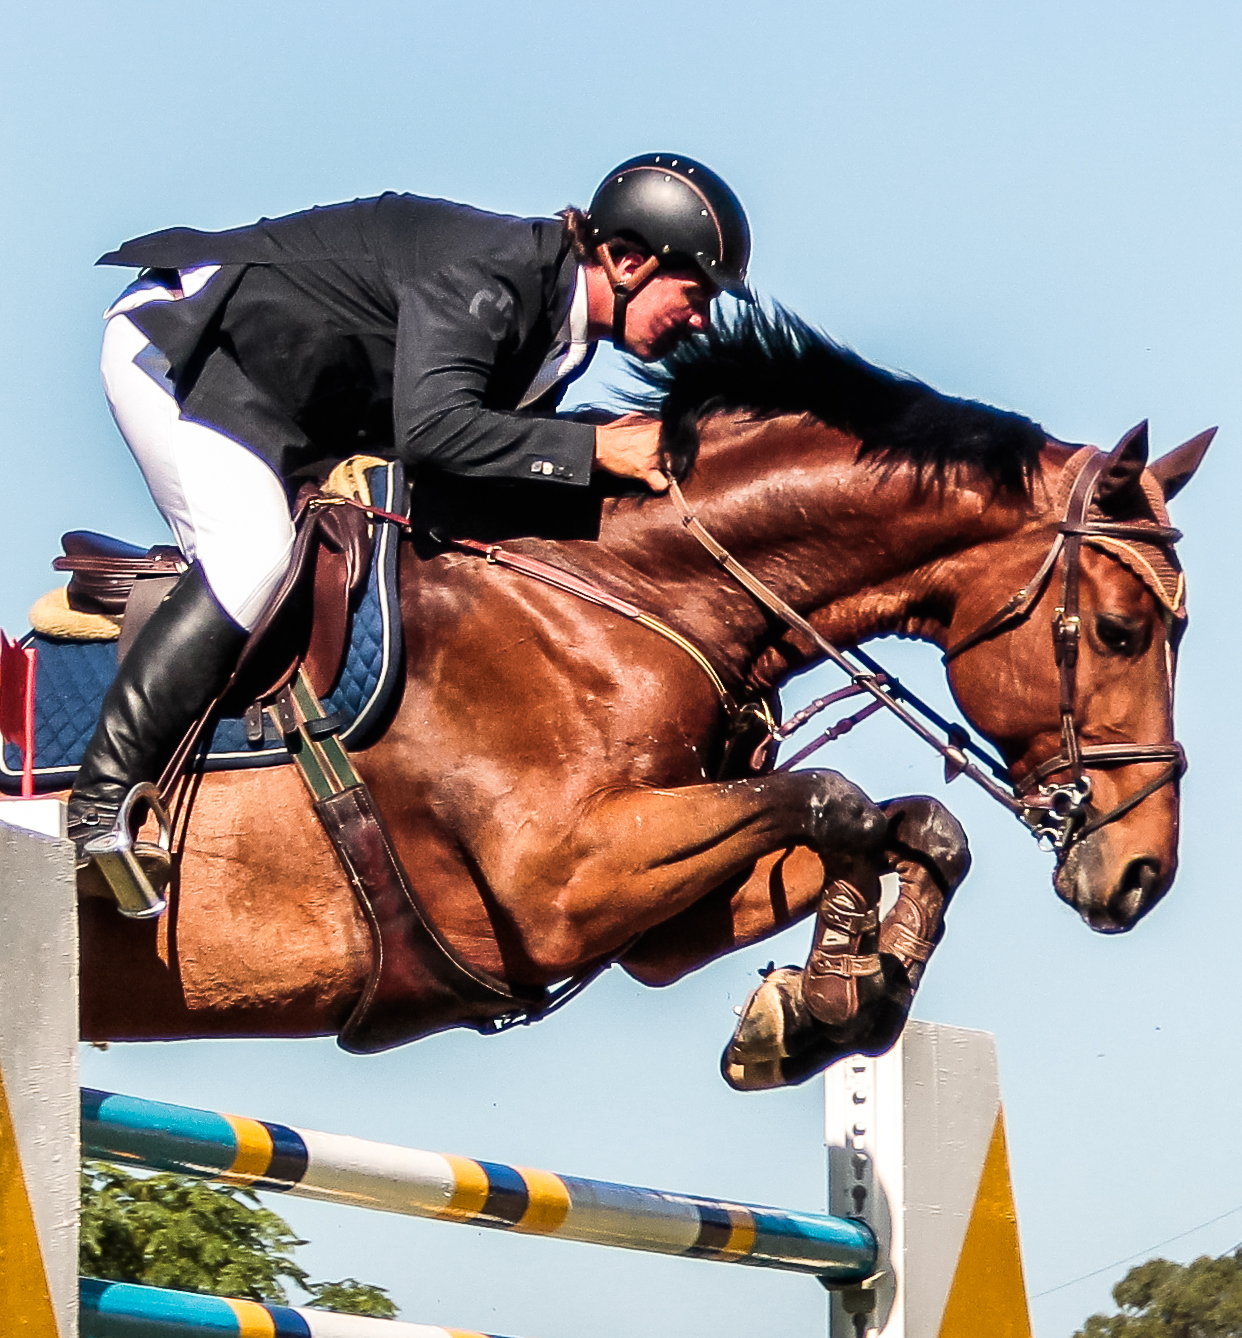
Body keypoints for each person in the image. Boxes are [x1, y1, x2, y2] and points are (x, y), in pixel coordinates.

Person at [71, 154, 753, 910]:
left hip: (281, 397)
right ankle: (98, 810)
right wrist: (594, 447)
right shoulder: (493, 277)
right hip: (185, 350)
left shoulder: (559, 337)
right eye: (695, 295)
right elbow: (432, 432)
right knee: (251, 557)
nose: (701, 321)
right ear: (626, 260)